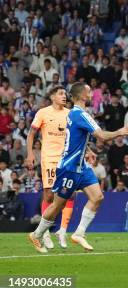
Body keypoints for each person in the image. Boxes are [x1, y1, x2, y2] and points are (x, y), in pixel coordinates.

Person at [28, 82, 128, 253]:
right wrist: (122, 131)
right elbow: (102, 136)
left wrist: (88, 150)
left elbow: (77, 137)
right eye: (90, 92)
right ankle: (37, 234)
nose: (92, 95)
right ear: (82, 95)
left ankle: (79, 233)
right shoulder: (79, 114)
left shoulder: (74, 113)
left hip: (81, 166)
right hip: (68, 167)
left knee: (97, 197)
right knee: (58, 205)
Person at [26, 86, 79, 249]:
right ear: (52, 97)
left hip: (67, 159)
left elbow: (77, 135)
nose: (64, 96)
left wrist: (88, 150)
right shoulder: (43, 113)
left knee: (70, 195)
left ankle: (62, 231)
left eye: (65, 94)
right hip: (49, 158)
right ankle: (45, 232)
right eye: (61, 94)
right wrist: (30, 154)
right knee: (48, 196)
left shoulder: (69, 113)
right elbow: (31, 134)